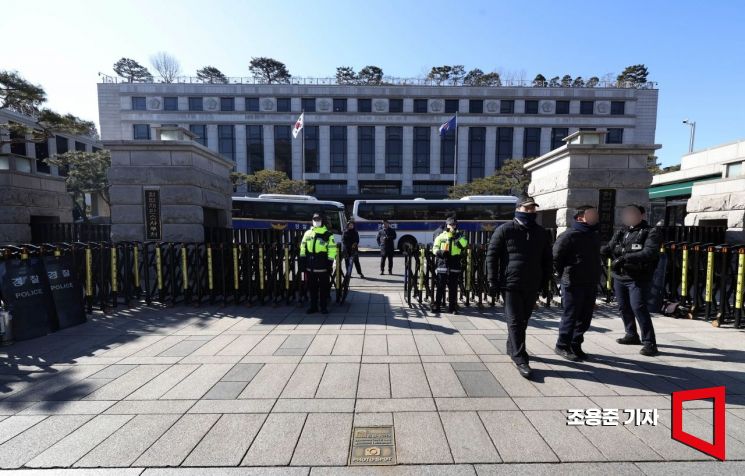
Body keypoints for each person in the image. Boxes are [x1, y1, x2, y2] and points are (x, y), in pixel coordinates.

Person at [486, 197, 552, 379]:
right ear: (518, 209)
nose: (531, 212)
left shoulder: (541, 232)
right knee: (515, 321)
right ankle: (521, 358)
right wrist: (492, 280)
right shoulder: (505, 229)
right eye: (527, 208)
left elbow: (547, 260)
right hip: (510, 284)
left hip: (532, 284)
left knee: (522, 321)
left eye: (533, 209)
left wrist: (546, 283)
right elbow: (492, 256)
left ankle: (511, 347)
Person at [601, 204, 661, 356]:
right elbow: (610, 247)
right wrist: (603, 252)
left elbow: (649, 253)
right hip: (620, 276)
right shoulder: (622, 231)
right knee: (623, 307)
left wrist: (625, 258)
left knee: (638, 307)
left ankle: (649, 343)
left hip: (638, 277)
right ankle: (631, 334)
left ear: (642, 215)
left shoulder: (650, 232)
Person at [552, 205, 602, 361]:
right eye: (592, 214)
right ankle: (562, 345)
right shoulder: (569, 235)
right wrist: (564, 275)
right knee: (571, 316)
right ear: (580, 217)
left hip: (590, 282)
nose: (596, 217)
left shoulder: (593, 235)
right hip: (573, 282)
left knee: (585, 317)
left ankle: (576, 344)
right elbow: (556, 258)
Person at [299, 212, 337, 314]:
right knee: (312, 289)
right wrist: (302, 260)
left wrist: (329, 263)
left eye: (318, 219)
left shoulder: (328, 234)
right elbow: (302, 247)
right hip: (310, 267)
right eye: (315, 219)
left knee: (324, 289)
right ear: (312, 220)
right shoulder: (307, 233)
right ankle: (313, 307)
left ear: (322, 220)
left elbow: (332, 250)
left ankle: (323, 307)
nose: (316, 221)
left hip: (323, 267)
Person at [432, 216, 468, 314]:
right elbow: (434, 249)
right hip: (442, 264)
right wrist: (441, 252)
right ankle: (437, 305)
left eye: (454, 224)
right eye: (450, 224)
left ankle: (452, 307)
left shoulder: (460, 235)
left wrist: (456, 236)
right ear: (446, 225)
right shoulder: (441, 236)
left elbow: (464, 245)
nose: (452, 226)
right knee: (440, 287)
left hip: (454, 264)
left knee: (453, 288)